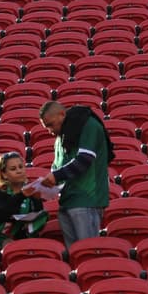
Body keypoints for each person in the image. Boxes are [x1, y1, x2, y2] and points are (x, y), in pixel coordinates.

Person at [38, 100, 112, 247]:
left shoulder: (88, 125)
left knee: (87, 251)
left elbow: (84, 160)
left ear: (62, 114)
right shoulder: (60, 138)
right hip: (67, 202)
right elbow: (57, 168)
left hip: (87, 200)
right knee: (75, 255)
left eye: (51, 125)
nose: (50, 131)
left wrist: (55, 177)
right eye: (47, 127)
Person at [0, 152, 48, 247]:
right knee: (9, 245)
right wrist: (21, 195)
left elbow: (37, 216)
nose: (19, 171)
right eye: (13, 169)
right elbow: (1, 214)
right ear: (4, 174)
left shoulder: (30, 189)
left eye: (21, 167)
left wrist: (37, 200)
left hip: (20, 238)